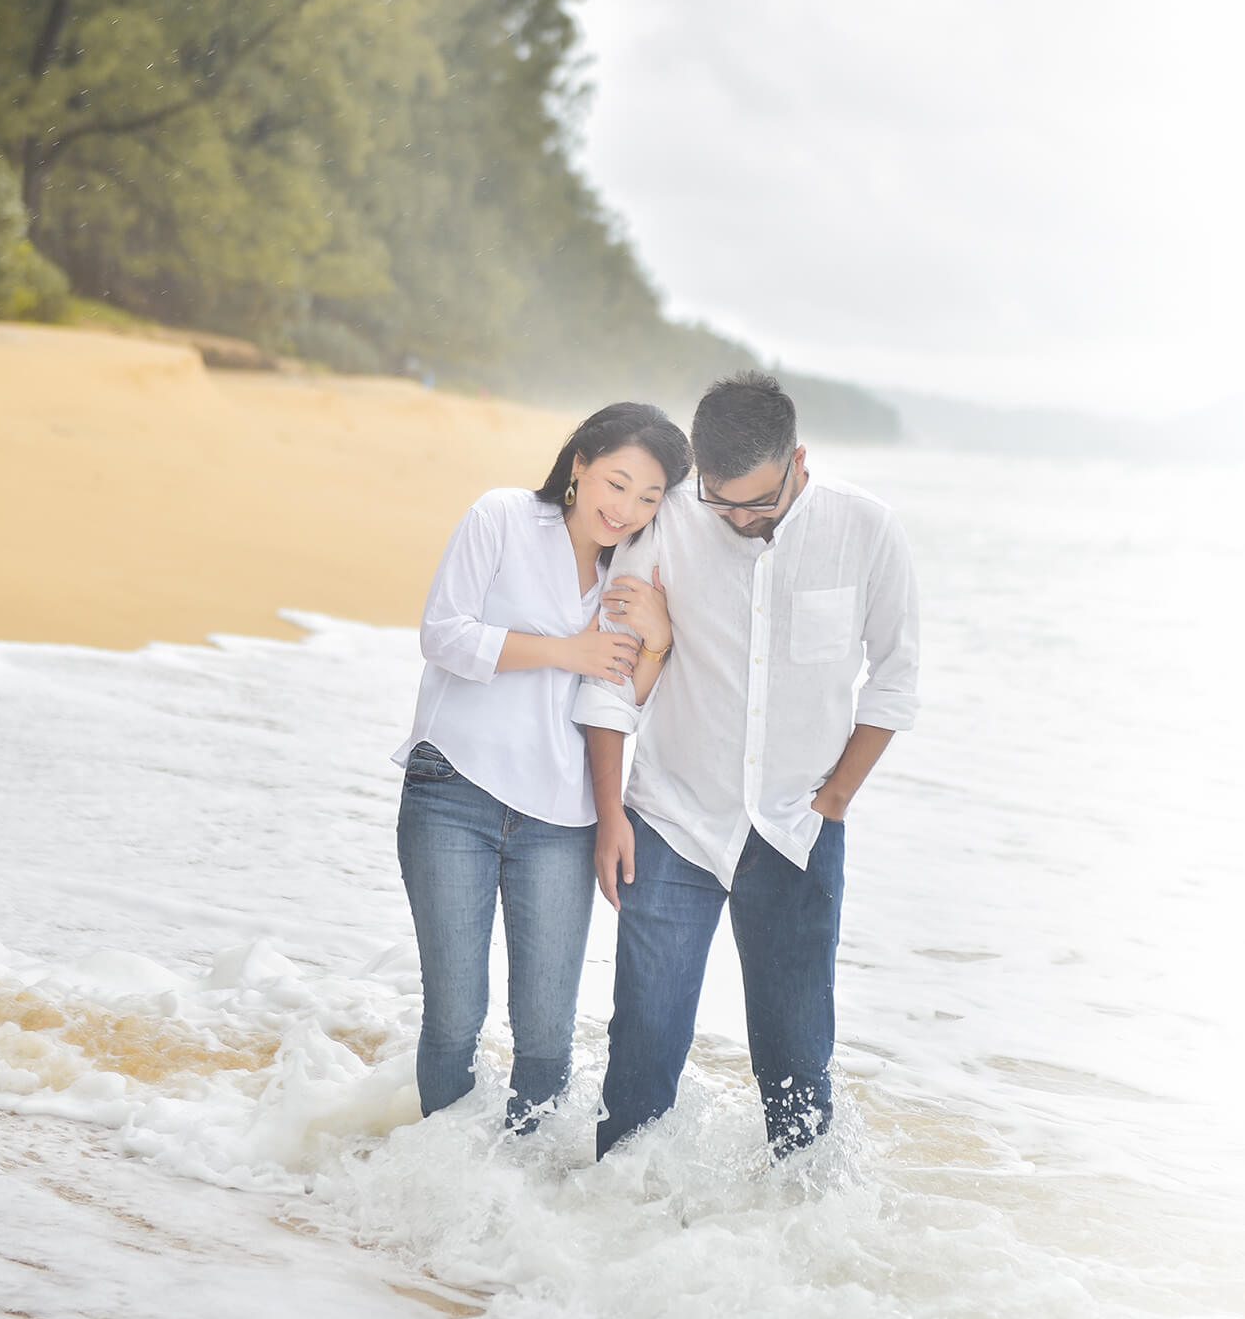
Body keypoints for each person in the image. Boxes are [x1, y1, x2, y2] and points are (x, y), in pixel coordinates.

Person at [576, 371, 919, 1159]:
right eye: (720, 500)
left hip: (798, 831)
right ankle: (609, 1238)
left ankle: (796, 1251)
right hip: (672, 821)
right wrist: (610, 815)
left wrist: (835, 798)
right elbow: (611, 679)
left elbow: (896, 677)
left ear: (798, 461)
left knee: (797, 1072)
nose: (736, 518)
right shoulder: (673, 519)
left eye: (757, 503)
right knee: (642, 1055)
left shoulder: (866, 528)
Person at [394, 401, 691, 1132]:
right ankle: (437, 1186)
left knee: (546, 1039)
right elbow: (443, 634)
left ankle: (521, 1201)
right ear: (580, 463)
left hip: (562, 817)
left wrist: (657, 644)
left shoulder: (634, 576)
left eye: (649, 497)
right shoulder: (500, 517)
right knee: (455, 1018)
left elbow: (617, 700)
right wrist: (565, 649)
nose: (625, 509)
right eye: (617, 483)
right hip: (453, 789)